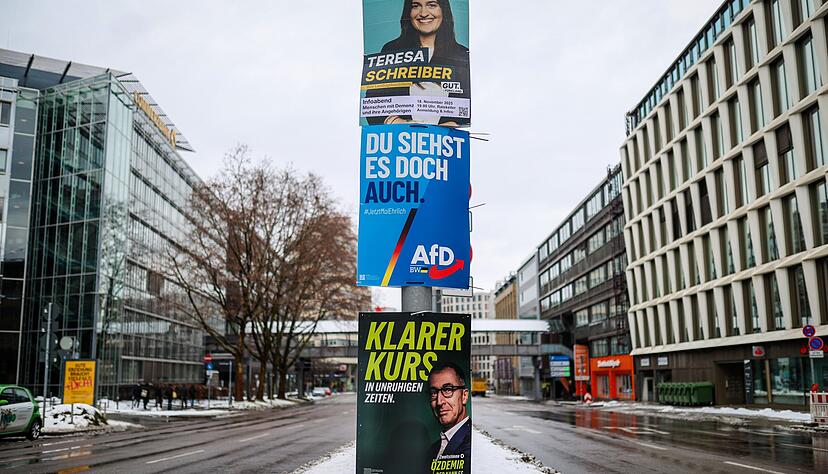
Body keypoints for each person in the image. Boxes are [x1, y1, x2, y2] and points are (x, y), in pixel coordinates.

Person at [365, 0, 470, 126]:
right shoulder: (391, 50)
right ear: (408, 12)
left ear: (443, 10)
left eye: (432, 5)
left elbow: (469, 104)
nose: (423, 13)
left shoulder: (461, 54)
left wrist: (452, 124)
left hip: (444, 141)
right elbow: (372, 103)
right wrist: (395, 121)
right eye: (416, 6)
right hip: (401, 138)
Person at [427, 361, 471, 462]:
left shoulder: (472, 444)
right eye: (433, 393)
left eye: (447, 390)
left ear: (464, 396)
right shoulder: (433, 449)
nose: (439, 402)